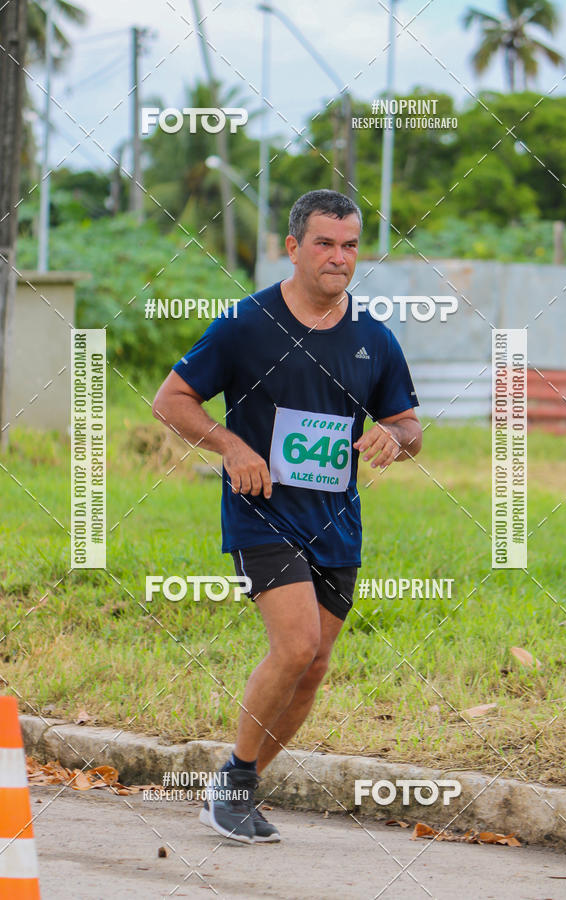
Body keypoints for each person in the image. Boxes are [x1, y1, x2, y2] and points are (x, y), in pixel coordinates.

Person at [152, 189, 422, 844]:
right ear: (293, 247)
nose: (340, 257)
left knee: (317, 663)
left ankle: (235, 783)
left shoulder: (373, 338)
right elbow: (172, 399)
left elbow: (408, 424)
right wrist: (233, 446)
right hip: (262, 513)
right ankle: (236, 784)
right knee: (296, 644)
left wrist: (395, 438)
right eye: (325, 243)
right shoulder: (247, 324)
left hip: (337, 519)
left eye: (351, 245)